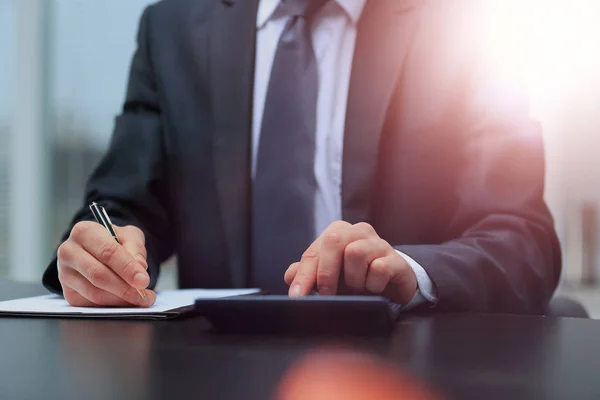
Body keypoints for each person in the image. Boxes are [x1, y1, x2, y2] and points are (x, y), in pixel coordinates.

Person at [42, 0, 561, 314]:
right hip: (214, 374)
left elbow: (521, 238)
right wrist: (102, 254)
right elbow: (119, 205)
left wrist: (411, 269)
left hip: (409, 372)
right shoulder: (170, 29)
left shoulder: (468, 26)